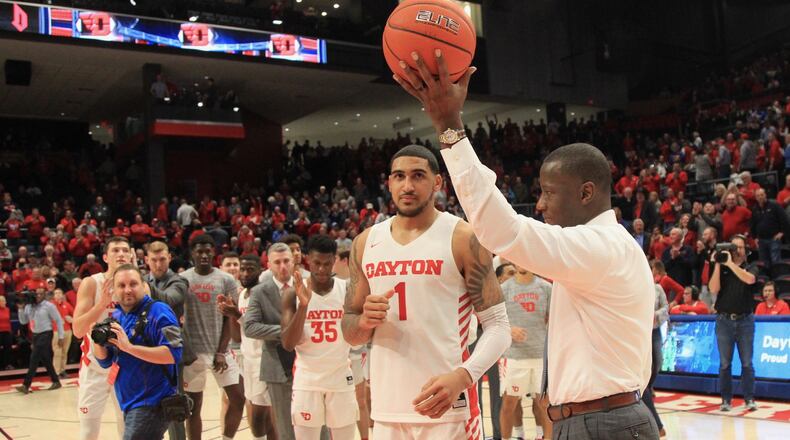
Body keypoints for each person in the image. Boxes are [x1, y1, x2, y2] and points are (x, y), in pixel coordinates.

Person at [395, 51, 656, 438]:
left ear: (586, 193)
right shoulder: (603, 246)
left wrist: (450, 127)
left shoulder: (599, 248)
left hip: (603, 422)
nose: (541, 204)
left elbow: (503, 229)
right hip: (599, 418)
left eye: (549, 193)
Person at [342, 144, 511, 440]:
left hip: (449, 409)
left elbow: (499, 328)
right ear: (389, 182)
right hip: (387, 409)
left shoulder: (463, 237)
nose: (407, 185)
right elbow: (350, 331)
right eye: (399, 176)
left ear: (437, 183)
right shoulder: (365, 242)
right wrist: (365, 322)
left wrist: (463, 377)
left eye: (418, 176)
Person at [282, 235, 359, 439]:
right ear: (308, 259)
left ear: (334, 260)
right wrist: (304, 306)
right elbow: (288, 344)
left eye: (327, 263)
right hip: (307, 379)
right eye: (317, 263)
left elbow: (356, 337)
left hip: (341, 376)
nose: (322, 269)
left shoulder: (347, 290)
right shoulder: (292, 293)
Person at [93, 264, 182, 440]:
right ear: (114, 290)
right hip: (129, 403)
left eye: (133, 284)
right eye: (121, 285)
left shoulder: (160, 311)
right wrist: (98, 342)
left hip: (152, 403)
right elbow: (106, 361)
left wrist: (130, 348)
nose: (127, 290)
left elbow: (173, 354)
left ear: (143, 285)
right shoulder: (117, 316)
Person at [180, 234, 245, 440]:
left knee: (238, 398)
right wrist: (186, 348)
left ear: (214, 252)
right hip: (192, 354)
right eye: (199, 251)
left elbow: (230, 318)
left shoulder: (226, 280)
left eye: (208, 250)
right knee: (193, 408)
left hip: (221, 351)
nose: (204, 255)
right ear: (192, 253)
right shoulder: (183, 279)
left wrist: (220, 351)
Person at [72, 236, 132, 440]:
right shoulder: (92, 283)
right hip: (94, 368)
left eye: (125, 250)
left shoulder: (137, 286)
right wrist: (101, 304)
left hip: (125, 367)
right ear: (105, 257)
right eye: (116, 250)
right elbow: (77, 330)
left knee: (128, 430)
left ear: (131, 255)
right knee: (88, 432)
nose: (121, 254)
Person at [243, 243, 298, 440]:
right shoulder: (259, 292)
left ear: (293, 262)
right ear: (269, 265)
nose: (282, 266)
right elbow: (249, 327)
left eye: (286, 261)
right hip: (277, 366)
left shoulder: (307, 285)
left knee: (318, 424)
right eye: (277, 262)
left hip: (309, 363)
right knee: (284, 428)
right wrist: (287, 332)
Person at [220, 255, 278, 440]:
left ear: (260, 271)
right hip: (249, 361)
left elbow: (264, 329)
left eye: (249, 269)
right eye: (242, 270)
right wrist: (231, 313)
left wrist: (237, 314)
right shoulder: (243, 295)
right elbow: (238, 336)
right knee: (261, 415)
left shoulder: (264, 294)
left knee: (262, 415)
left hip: (266, 359)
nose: (244, 273)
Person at [499, 265, 552, 440]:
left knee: (544, 404)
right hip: (514, 357)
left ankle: (542, 436)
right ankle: (513, 437)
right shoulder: (505, 288)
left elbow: (554, 319)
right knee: (509, 404)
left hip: (540, 356)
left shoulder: (546, 287)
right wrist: (510, 329)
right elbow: (493, 321)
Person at [144, 241, 189, 440]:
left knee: (174, 405)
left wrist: (143, 288)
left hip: (170, 351)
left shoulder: (179, 281)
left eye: (162, 259)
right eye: (154, 260)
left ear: (169, 258)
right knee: (148, 405)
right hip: (145, 350)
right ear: (146, 260)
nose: (158, 264)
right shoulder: (144, 281)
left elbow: (169, 300)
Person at [708, 234, 758, 412]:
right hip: (724, 321)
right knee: (724, 364)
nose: (736, 250)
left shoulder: (751, 266)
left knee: (746, 363)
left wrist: (729, 264)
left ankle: (749, 399)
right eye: (733, 246)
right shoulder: (721, 267)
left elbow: (750, 279)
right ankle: (726, 401)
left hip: (745, 321)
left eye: (740, 247)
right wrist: (718, 264)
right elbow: (713, 289)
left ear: (746, 250)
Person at [15, 287, 64, 394]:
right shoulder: (29, 306)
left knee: (34, 358)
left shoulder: (49, 306)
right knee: (45, 359)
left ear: (44, 295)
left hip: (46, 333)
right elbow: (23, 321)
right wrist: (21, 309)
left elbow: (59, 320)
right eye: (36, 294)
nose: (38, 296)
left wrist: (61, 336)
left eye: (40, 294)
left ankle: (26, 385)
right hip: (35, 335)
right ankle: (56, 381)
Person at [642, 284, 668, 438]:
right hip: (639, 330)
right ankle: (657, 426)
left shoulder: (657, 288)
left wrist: (655, 314)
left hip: (654, 329)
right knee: (641, 380)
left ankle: (649, 387)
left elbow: (666, 306)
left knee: (657, 363)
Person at [750, 188, 790, 272]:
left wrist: (782, 232)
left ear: (765, 195)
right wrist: (754, 238)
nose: (760, 197)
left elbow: (784, 219)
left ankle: (777, 280)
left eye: (762, 195)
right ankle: (767, 281)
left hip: (773, 239)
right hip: (761, 240)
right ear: (756, 198)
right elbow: (752, 224)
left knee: (776, 262)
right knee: (764, 263)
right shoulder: (754, 209)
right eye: (758, 195)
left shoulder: (774, 205)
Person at [51, 289, 74, 378]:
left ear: (62, 295)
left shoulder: (67, 305)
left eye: (60, 293)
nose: (58, 295)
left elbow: (75, 314)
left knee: (64, 352)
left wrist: (72, 320)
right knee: (57, 352)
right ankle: (56, 372)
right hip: (56, 331)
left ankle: (62, 370)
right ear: (53, 296)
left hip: (67, 330)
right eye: (56, 293)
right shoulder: (51, 305)